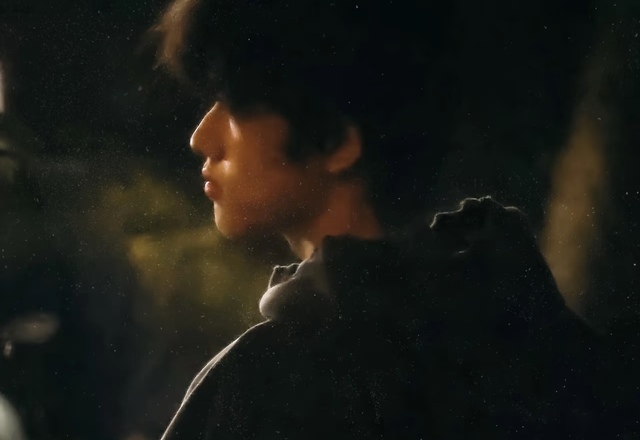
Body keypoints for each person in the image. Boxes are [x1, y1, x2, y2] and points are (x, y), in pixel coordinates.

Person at [150, 0, 614, 438]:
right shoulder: (531, 334)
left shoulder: (270, 385)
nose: (201, 138)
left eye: (237, 106)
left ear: (335, 141)